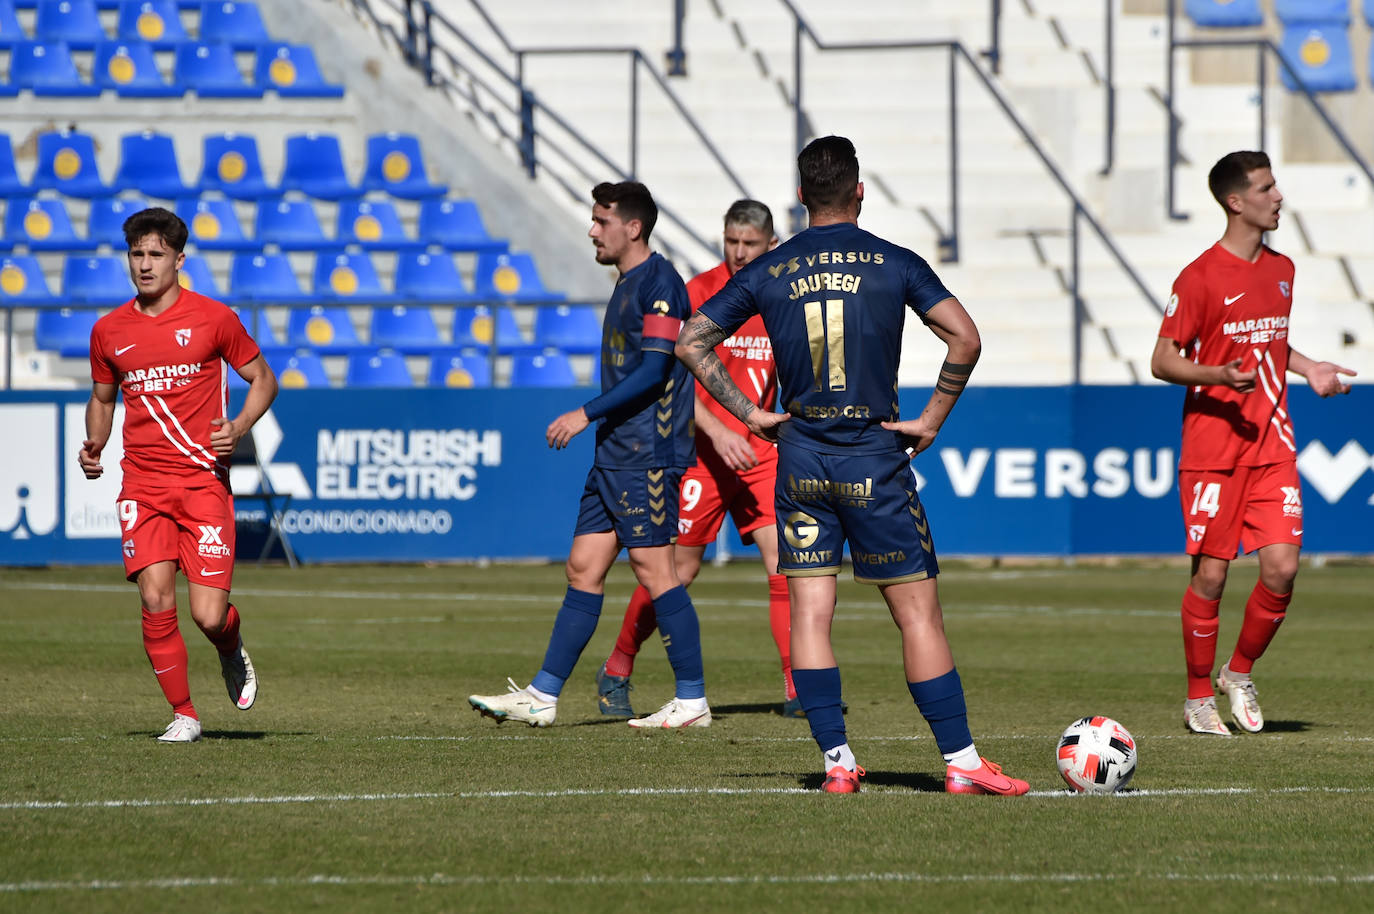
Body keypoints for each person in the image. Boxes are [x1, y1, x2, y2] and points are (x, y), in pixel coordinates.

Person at [675, 135, 1029, 796]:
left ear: (803, 197)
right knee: (918, 616)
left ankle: (838, 764)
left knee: (811, 612)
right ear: (859, 192)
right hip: (874, 456)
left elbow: (692, 342)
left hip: (801, 458)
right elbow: (966, 336)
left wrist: (750, 415)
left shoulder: (768, 270)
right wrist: (930, 419)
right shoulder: (894, 262)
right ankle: (961, 763)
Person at [468, 180, 710, 729]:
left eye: (602, 221)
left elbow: (653, 372)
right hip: (615, 455)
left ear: (633, 227)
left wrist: (586, 413)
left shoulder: (661, 284)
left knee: (656, 571)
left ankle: (692, 700)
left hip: (646, 452)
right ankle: (543, 696)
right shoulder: (627, 282)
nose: (592, 230)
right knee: (583, 568)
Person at [1151, 150, 1354, 737]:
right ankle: (1196, 697)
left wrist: (1310, 365)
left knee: (1282, 569)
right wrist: (1218, 375)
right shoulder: (1199, 278)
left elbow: (1272, 344)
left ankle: (1237, 673)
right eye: (1266, 188)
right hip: (1213, 452)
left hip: (1273, 445)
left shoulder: (1283, 268)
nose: (1278, 196)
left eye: (1276, 185)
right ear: (1235, 201)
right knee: (1211, 578)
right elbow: (1163, 359)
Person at [593, 200, 802, 718]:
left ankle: (798, 687)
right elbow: (673, 377)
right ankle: (617, 666)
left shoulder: (782, 299)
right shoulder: (700, 294)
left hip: (760, 454)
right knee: (677, 572)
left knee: (785, 567)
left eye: (749, 244)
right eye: (731, 241)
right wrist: (716, 428)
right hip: (702, 456)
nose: (738, 252)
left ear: (770, 246)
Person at [79, 207, 278, 743]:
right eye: (137, 254)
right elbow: (102, 399)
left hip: (202, 484)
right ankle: (185, 714)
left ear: (178, 259)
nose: (144, 265)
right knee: (154, 597)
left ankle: (229, 646)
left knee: (209, 616)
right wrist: (95, 441)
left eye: (155, 255)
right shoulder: (108, 330)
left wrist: (237, 427)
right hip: (142, 484)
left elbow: (263, 379)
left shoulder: (214, 318)